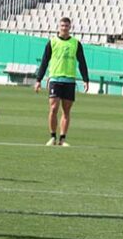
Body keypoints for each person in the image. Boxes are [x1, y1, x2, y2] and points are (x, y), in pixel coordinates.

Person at [34, 17, 89, 147]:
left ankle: (62, 138)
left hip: (69, 80)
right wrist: (38, 80)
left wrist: (86, 79)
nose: (64, 28)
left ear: (70, 27)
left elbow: (82, 62)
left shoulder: (76, 43)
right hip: (55, 79)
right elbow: (44, 61)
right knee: (53, 108)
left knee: (66, 111)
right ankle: (52, 136)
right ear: (59, 27)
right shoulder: (52, 42)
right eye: (62, 26)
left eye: (66, 26)